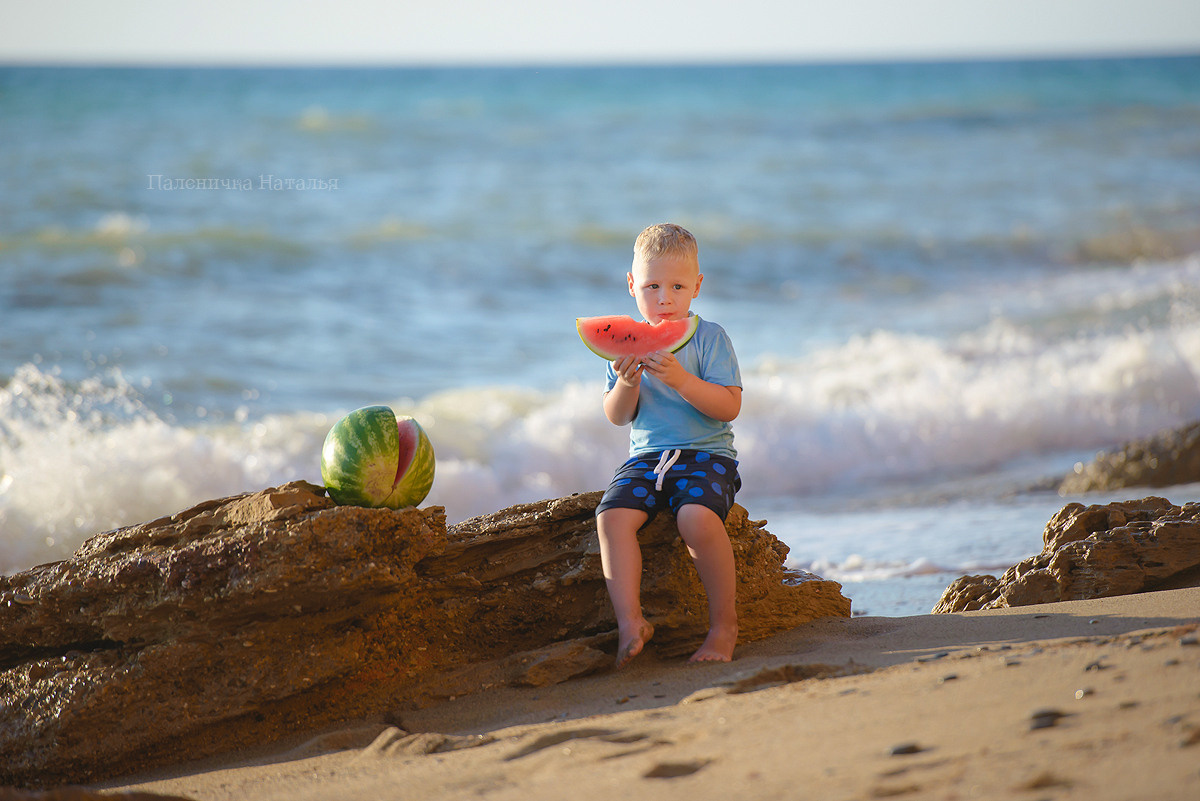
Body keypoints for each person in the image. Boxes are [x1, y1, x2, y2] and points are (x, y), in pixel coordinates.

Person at [594, 223, 743, 668]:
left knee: (695, 519)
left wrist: (681, 379)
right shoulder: (624, 345)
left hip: (707, 457)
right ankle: (631, 622)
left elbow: (729, 406)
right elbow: (617, 416)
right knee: (611, 518)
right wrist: (624, 384)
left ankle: (724, 625)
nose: (664, 298)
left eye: (677, 286)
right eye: (652, 285)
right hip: (646, 459)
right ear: (631, 285)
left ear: (696, 287)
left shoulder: (710, 338)